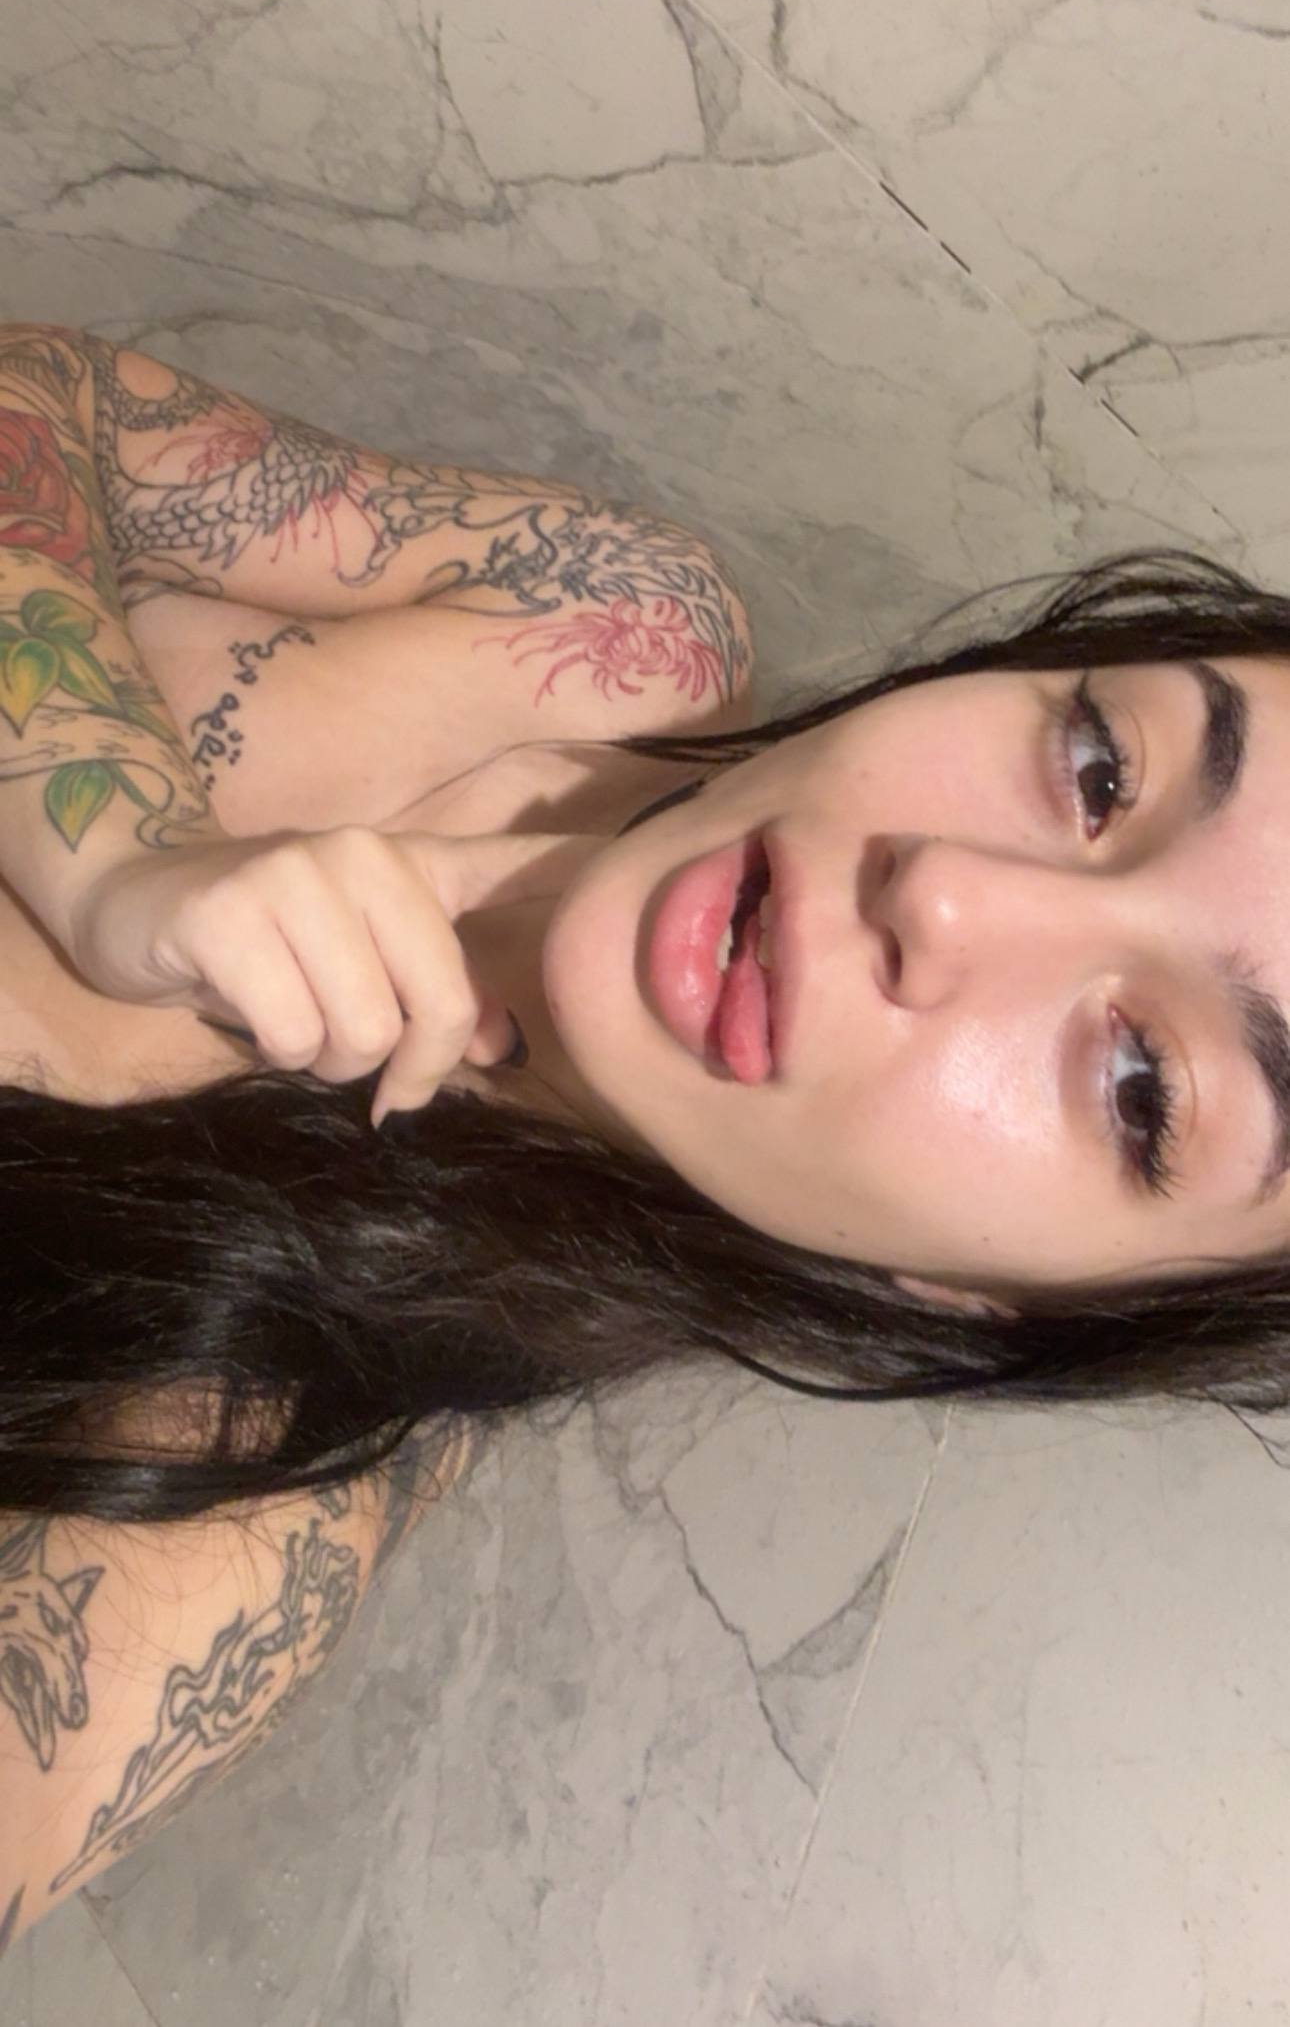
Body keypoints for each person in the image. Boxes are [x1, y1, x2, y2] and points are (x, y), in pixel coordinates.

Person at [3, 319, 1290, 1949]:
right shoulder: (612, 628)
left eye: (1141, 1091)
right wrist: (112, 852)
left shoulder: (217, 1515)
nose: (950, 895)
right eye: (1101, 766)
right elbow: (36, 394)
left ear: (992, 1304)